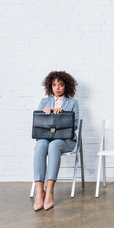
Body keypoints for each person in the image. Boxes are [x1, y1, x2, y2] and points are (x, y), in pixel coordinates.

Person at [33, 71, 79, 211]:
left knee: (53, 145)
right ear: (50, 86)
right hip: (46, 138)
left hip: (65, 140)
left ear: (66, 86)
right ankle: (39, 192)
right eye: (54, 85)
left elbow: (75, 125)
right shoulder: (44, 102)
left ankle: (50, 191)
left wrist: (62, 113)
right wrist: (46, 113)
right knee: (41, 143)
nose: (57, 88)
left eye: (60, 85)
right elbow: (39, 124)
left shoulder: (72, 103)